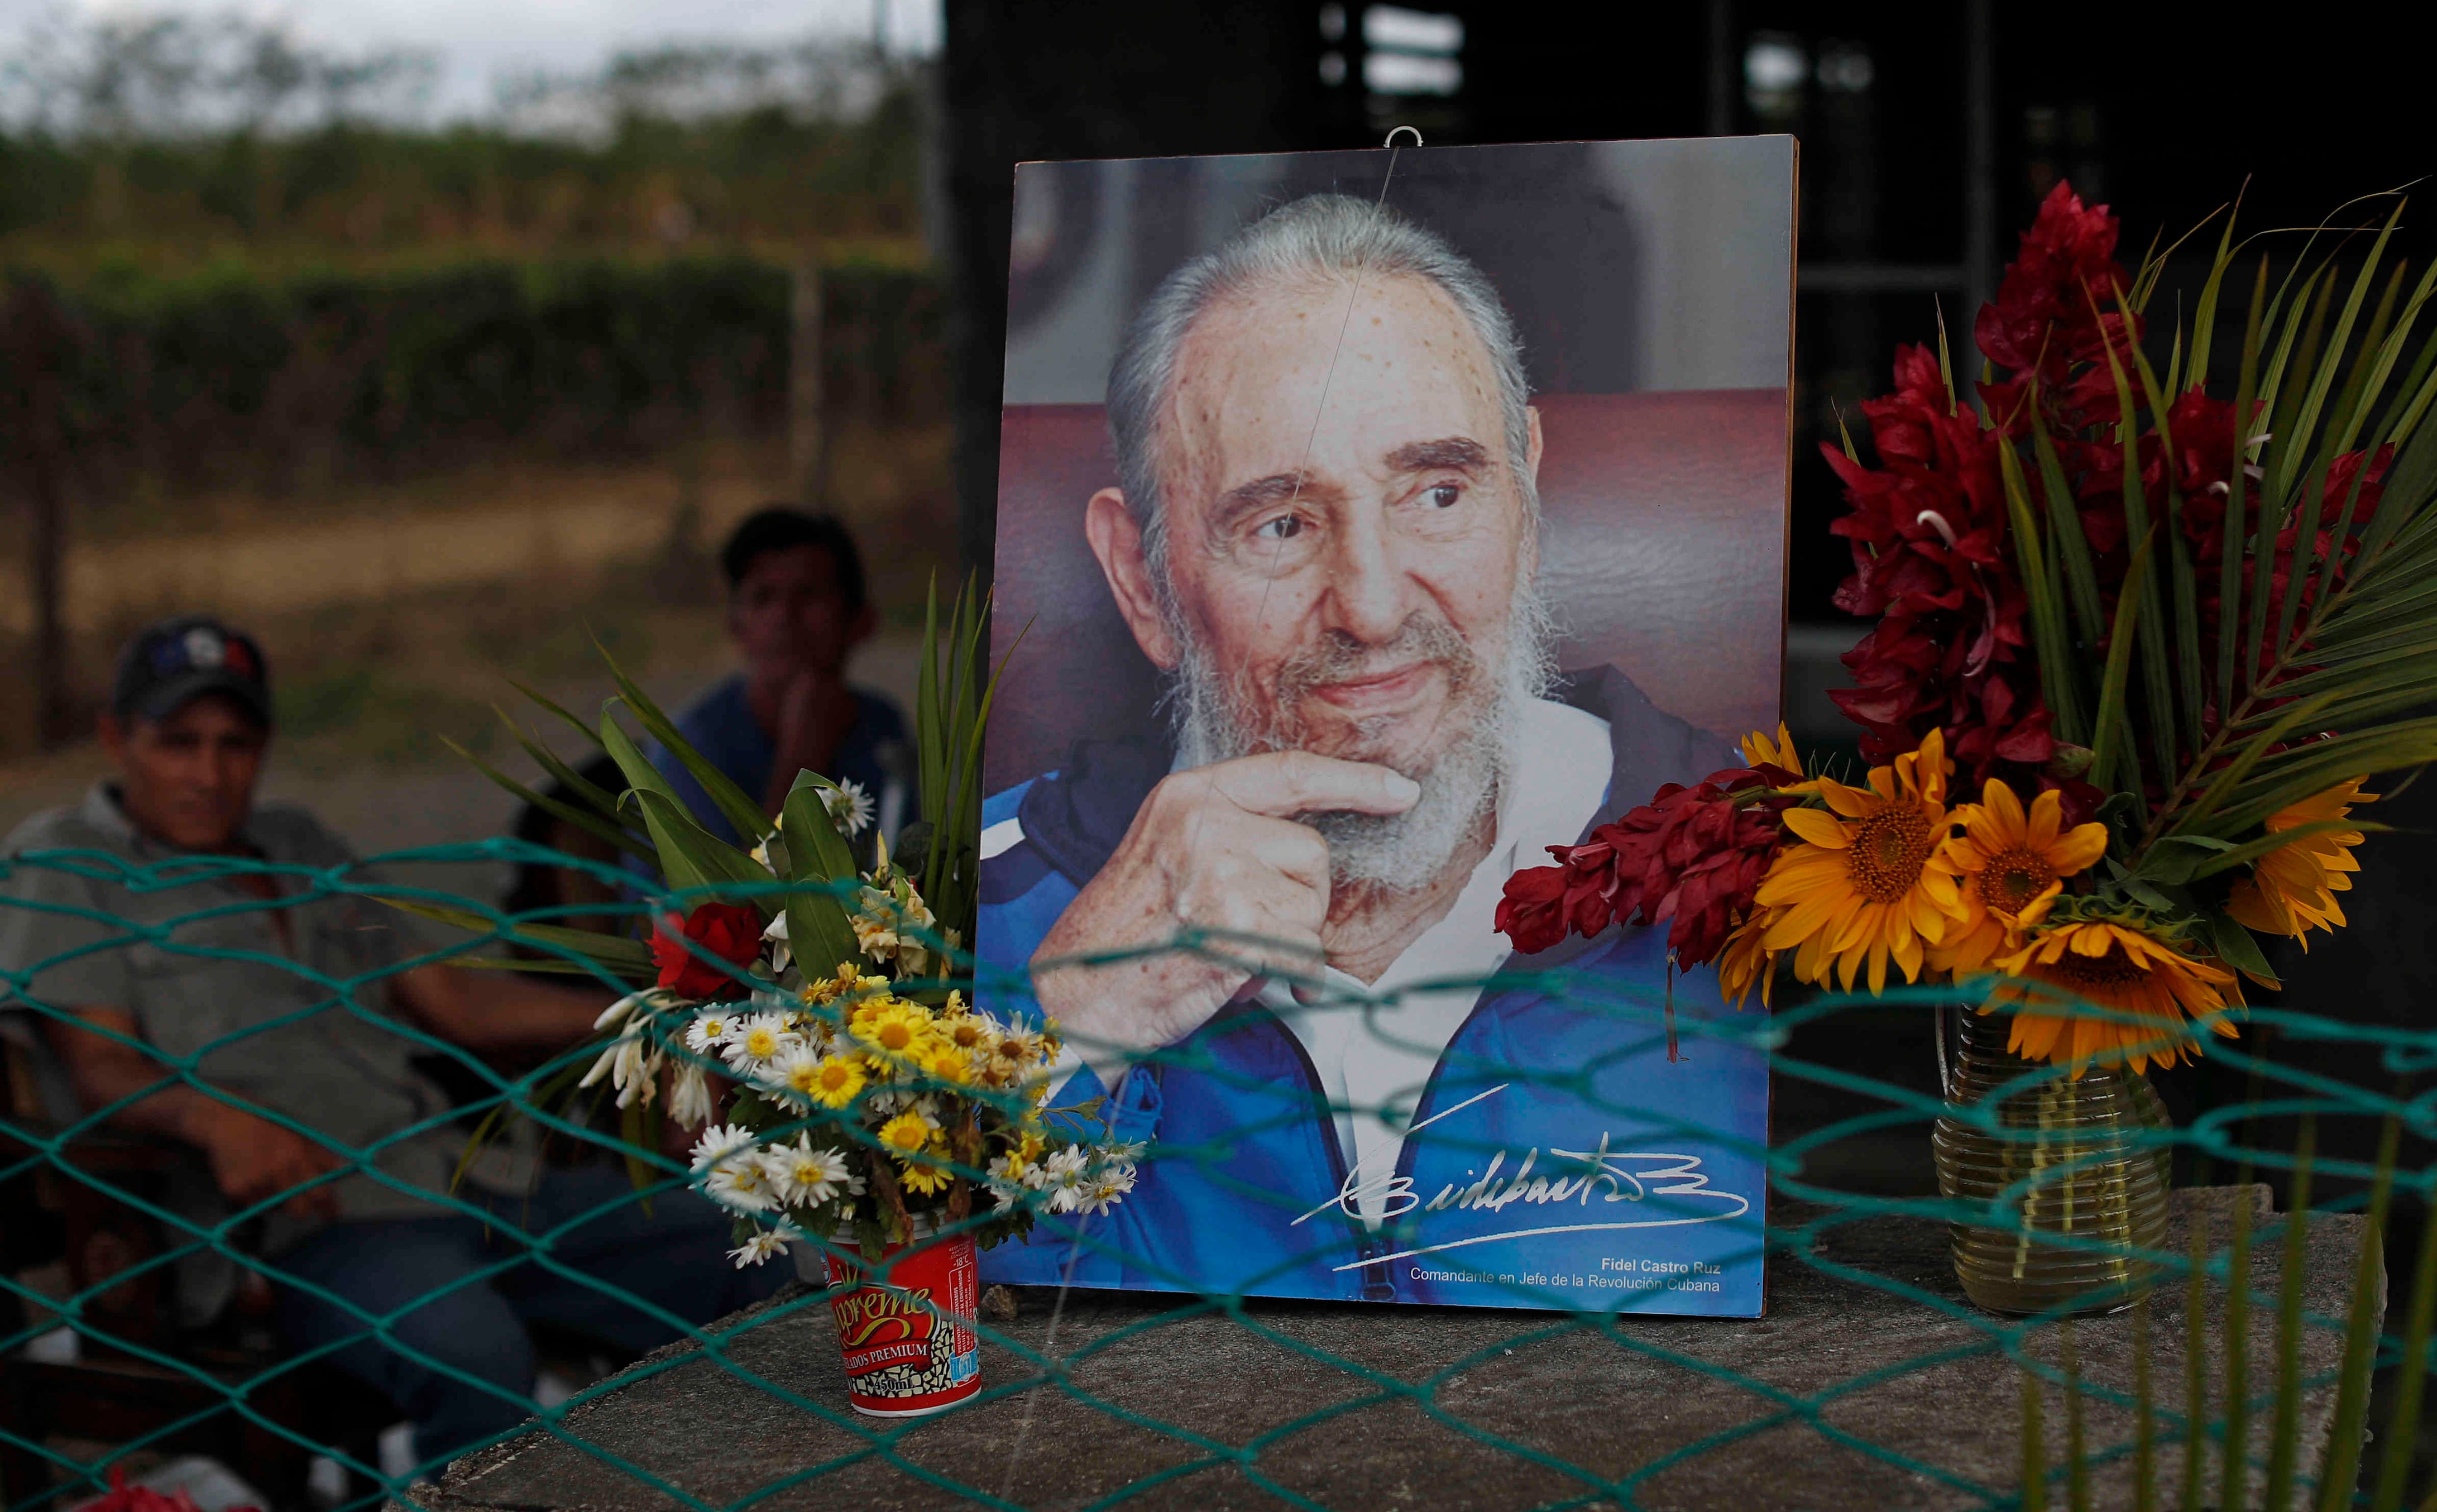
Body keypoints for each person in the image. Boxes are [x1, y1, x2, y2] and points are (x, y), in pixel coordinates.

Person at [976, 195, 1768, 1308]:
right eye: (1282, 523)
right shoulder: (962, 902)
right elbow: (847, 1293)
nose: (1375, 605)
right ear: (1144, 579)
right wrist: (1064, 1034)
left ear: (1526, 496)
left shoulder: (1782, 878)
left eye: (1437, 491)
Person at [0, 618, 779, 1471]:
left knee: (753, 1243)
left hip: (462, 1178)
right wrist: (213, 1120)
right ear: (117, 739)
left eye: (235, 744)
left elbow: (455, 1000)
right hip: (301, 1226)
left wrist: (651, 1011)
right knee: (478, 1362)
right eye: (178, 743)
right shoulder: (69, 864)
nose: (209, 774)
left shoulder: (299, 846)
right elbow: (98, 1061)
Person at [648, 508, 914, 843]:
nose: (784, 616)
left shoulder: (880, 727)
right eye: (763, 598)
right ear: (735, 625)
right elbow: (733, 895)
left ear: (861, 620)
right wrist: (801, 759)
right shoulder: (692, 749)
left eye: (809, 594)